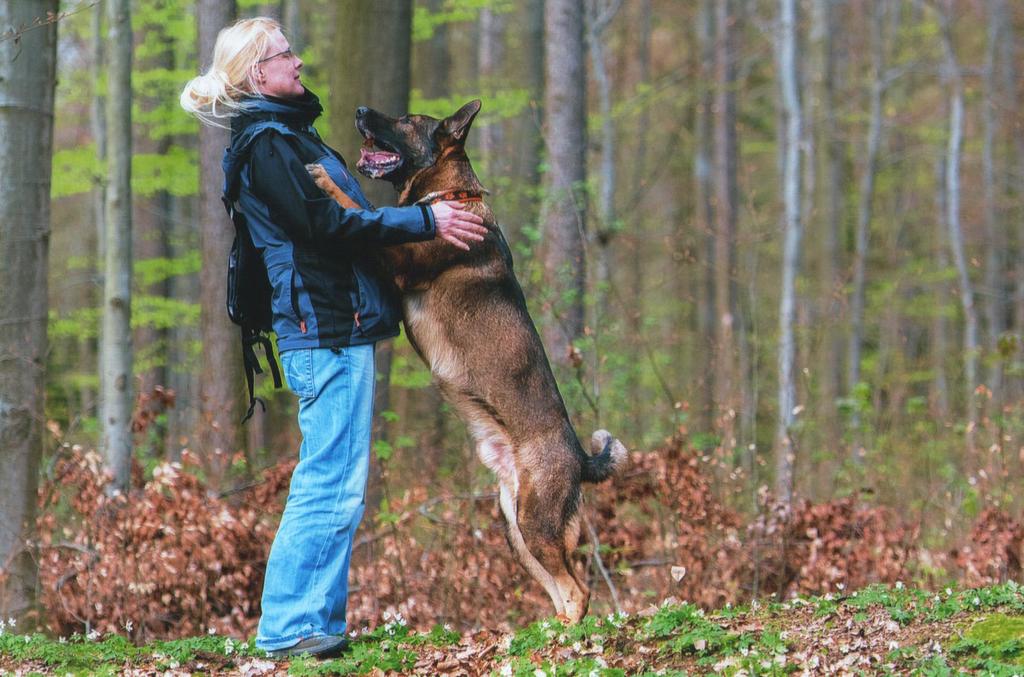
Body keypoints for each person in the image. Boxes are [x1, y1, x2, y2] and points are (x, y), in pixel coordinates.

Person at [180, 17, 487, 659]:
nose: (298, 61)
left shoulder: (289, 136)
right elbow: (323, 226)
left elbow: (334, 219)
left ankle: (316, 626)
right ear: (257, 73)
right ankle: (289, 630)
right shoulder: (267, 144)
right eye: (284, 54)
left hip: (334, 325)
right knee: (329, 482)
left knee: (340, 481)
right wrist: (423, 218)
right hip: (323, 328)